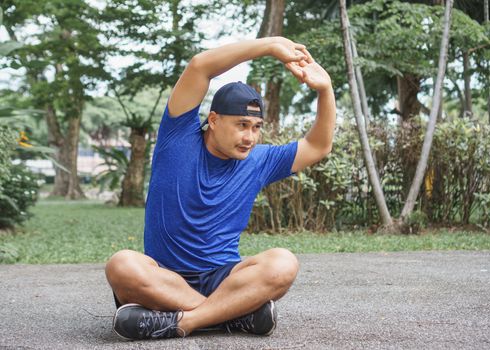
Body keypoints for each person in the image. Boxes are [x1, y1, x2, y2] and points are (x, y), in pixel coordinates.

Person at [105, 36, 335, 340]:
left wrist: (326, 89)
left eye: (256, 127)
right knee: (122, 265)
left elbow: (318, 145)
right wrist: (269, 45)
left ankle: (182, 321)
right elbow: (200, 66)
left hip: (223, 279)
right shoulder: (178, 138)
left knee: (283, 263)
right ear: (213, 120)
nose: (250, 137)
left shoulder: (259, 160)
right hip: (164, 276)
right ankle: (234, 316)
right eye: (241, 125)